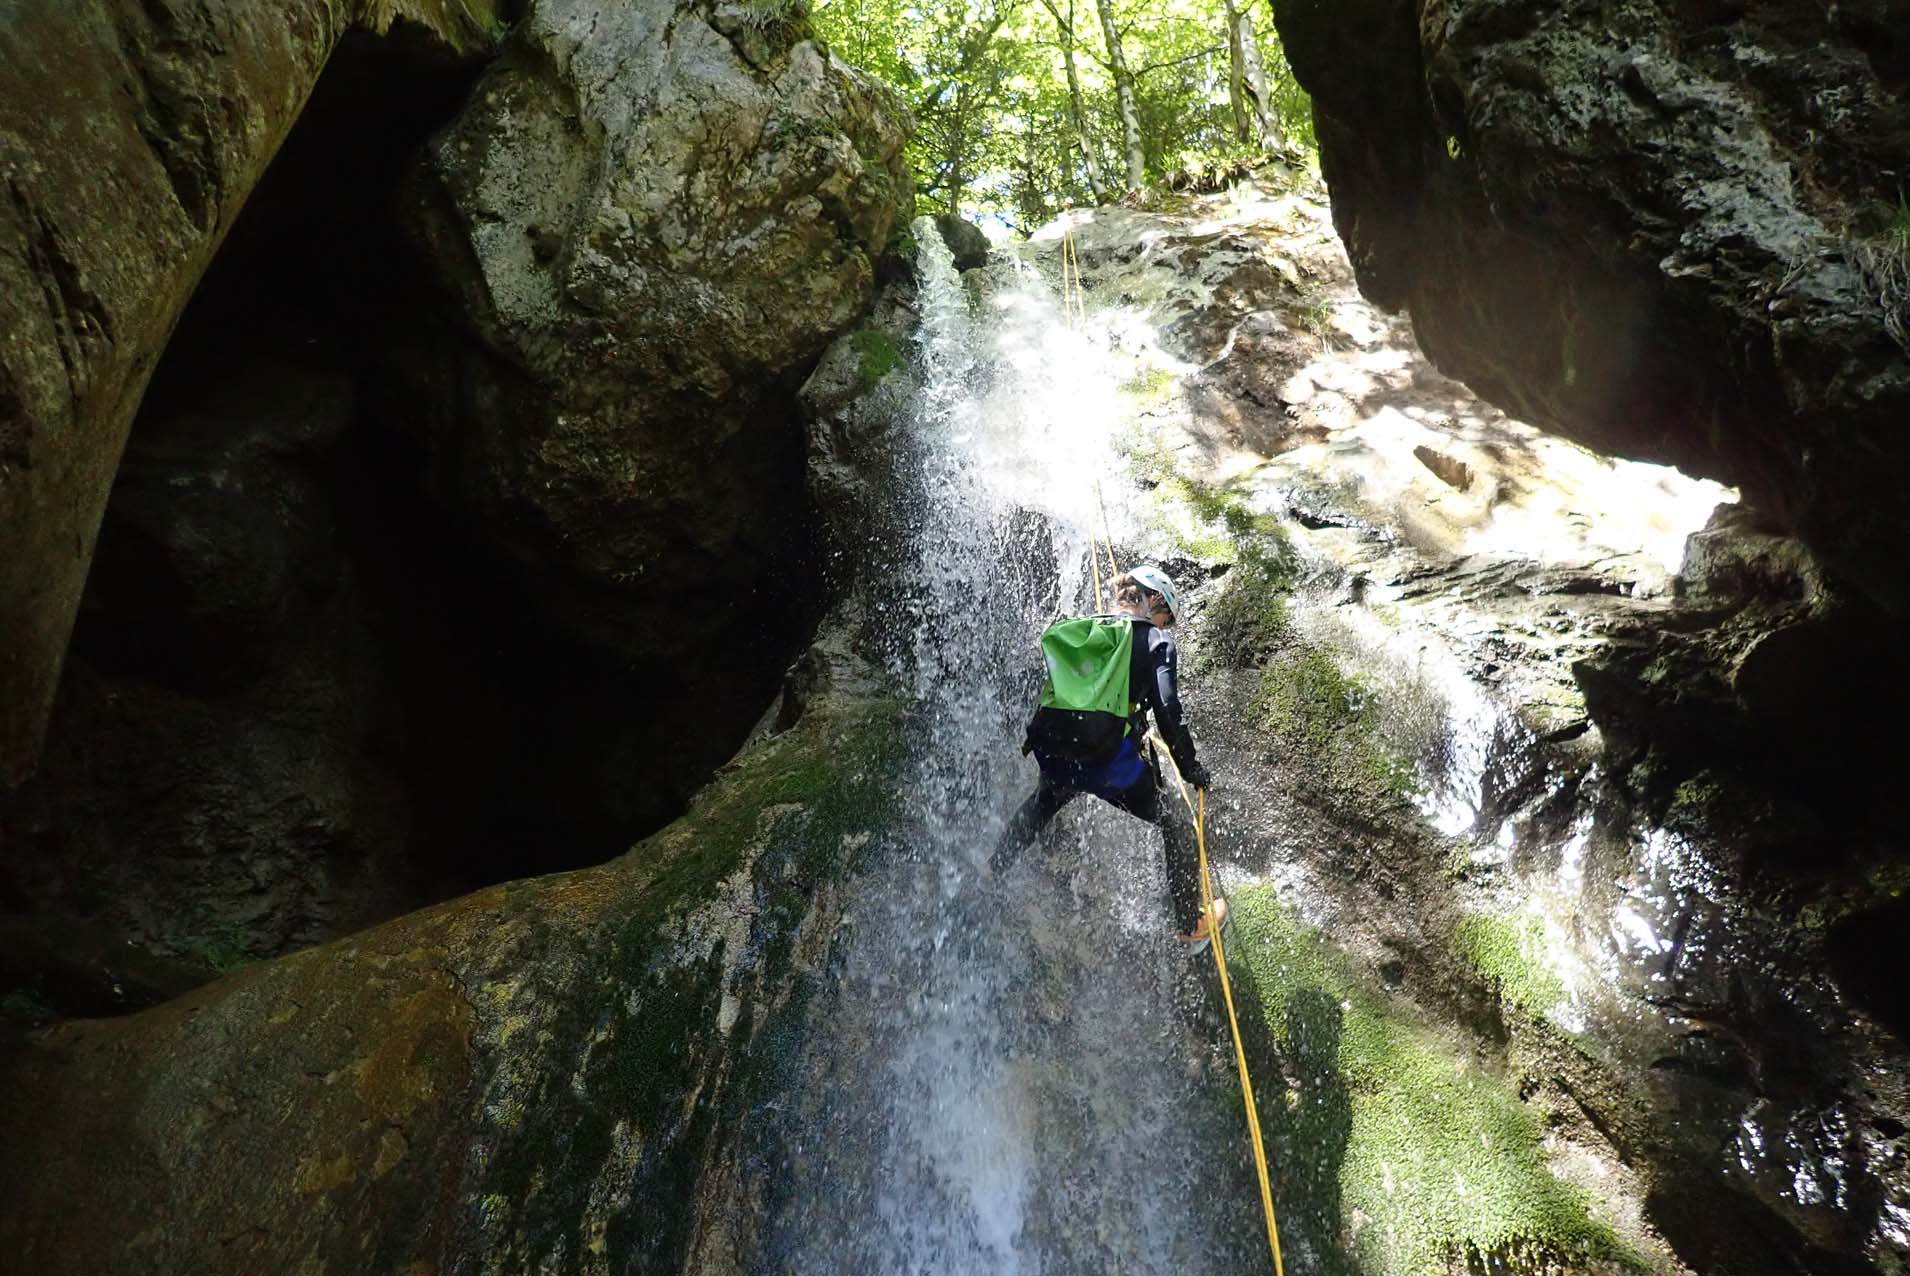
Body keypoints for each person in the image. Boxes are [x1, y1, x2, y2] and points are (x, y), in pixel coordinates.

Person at [989, 565, 1227, 950]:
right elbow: (1167, 708)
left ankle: (991, 869)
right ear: (1154, 601)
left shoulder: (1085, 628)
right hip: (1107, 763)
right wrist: (1190, 768)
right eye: (1167, 616)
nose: (1167, 625)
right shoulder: (1156, 640)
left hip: (1056, 752)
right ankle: (1190, 923)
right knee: (1177, 823)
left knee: (1042, 802)